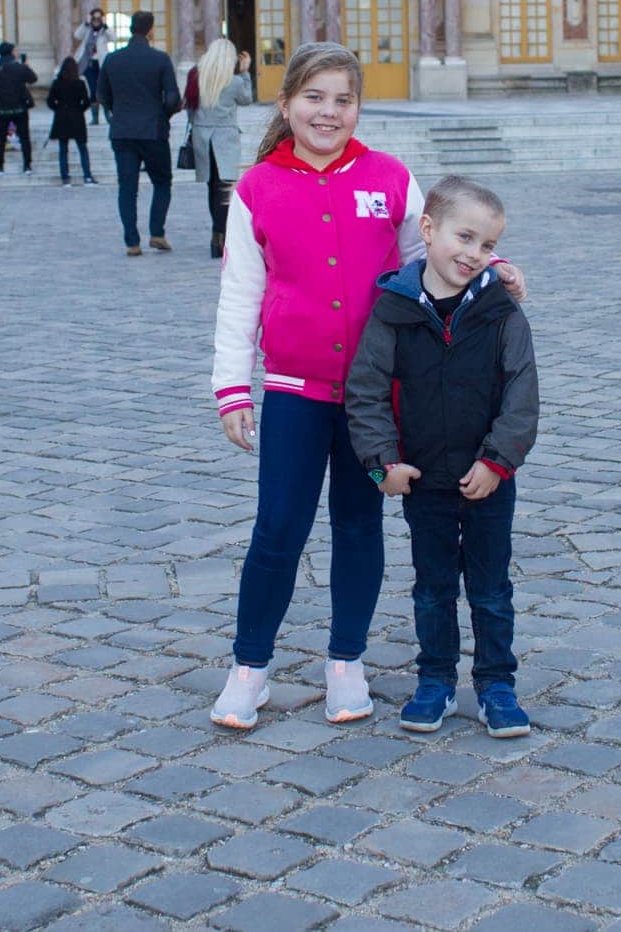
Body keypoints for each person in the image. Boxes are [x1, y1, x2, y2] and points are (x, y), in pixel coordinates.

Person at [207, 42, 526, 733]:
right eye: (314, 98)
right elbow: (241, 290)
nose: (329, 112)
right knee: (278, 529)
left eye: (343, 99)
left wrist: (491, 264)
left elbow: (434, 251)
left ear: (359, 107)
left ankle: (345, 660)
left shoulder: (388, 177)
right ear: (287, 103)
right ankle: (249, 668)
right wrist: (232, 386)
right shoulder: (258, 185)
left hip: (377, 401)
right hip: (295, 390)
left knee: (359, 527)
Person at [347, 175, 539, 739]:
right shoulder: (393, 311)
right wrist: (383, 462)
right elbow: (367, 391)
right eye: (465, 237)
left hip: (487, 479)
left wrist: (497, 461)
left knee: (491, 586)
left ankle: (496, 684)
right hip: (422, 478)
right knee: (432, 587)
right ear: (427, 230)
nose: (474, 254)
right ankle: (434, 681)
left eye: (486, 244)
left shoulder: (502, 311)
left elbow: (522, 395)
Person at [97, 10, 181, 255]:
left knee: (127, 188)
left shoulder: (112, 59)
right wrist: (164, 114)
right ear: (150, 30)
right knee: (162, 181)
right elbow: (173, 97)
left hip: (122, 130)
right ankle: (157, 232)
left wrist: (116, 113)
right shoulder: (160, 59)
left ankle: (132, 241)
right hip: (153, 130)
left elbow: (101, 95)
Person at [186, 38, 253, 258]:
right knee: (224, 189)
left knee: (212, 186)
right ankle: (222, 235)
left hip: (202, 137)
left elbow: (190, 107)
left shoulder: (197, 78)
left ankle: (217, 234)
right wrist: (245, 73)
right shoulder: (233, 81)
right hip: (225, 137)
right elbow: (246, 99)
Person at [46, 56, 96, 186]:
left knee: (63, 149)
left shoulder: (57, 83)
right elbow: (86, 101)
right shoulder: (79, 83)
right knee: (82, 147)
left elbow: (50, 101)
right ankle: (87, 176)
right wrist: (79, 110)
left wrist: (58, 109)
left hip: (62, 116)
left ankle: (65, 177)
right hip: (76, 116)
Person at [0, 41, 37, 176]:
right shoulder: (20, 68)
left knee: (0, 138)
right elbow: (33, 79)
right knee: (24, 137)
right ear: (11, 52)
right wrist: (26, 65)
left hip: (2, 109)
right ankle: (27, 165)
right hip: (20, 108)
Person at [74, 8, 112, 125]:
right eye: (94, 18)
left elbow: (113, 37)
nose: (96, 21)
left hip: (100, 63)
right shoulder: (87, 29)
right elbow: (77, 35)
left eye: (98, 18)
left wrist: (105, 25)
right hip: (88, 63)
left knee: (103, 89)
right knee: (93, 89)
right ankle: (95, 117)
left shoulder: (104, 31)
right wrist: (85, 23)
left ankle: (107, 115)